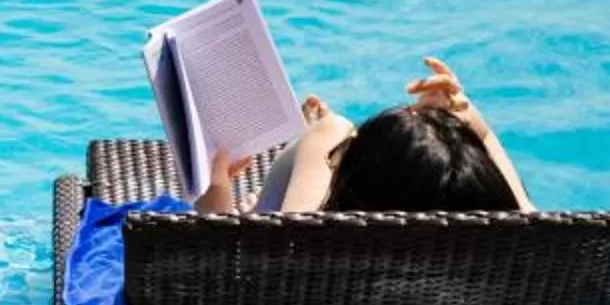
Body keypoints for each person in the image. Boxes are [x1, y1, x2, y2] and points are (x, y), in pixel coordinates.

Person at [193, 56, 530, 215]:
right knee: (332, 132)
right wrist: (473, 129)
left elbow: (220, 278)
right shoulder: (528, 255)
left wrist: (214, 199)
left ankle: (324, 140)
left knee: (332, 129)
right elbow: (524, 211)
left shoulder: (302, 252)